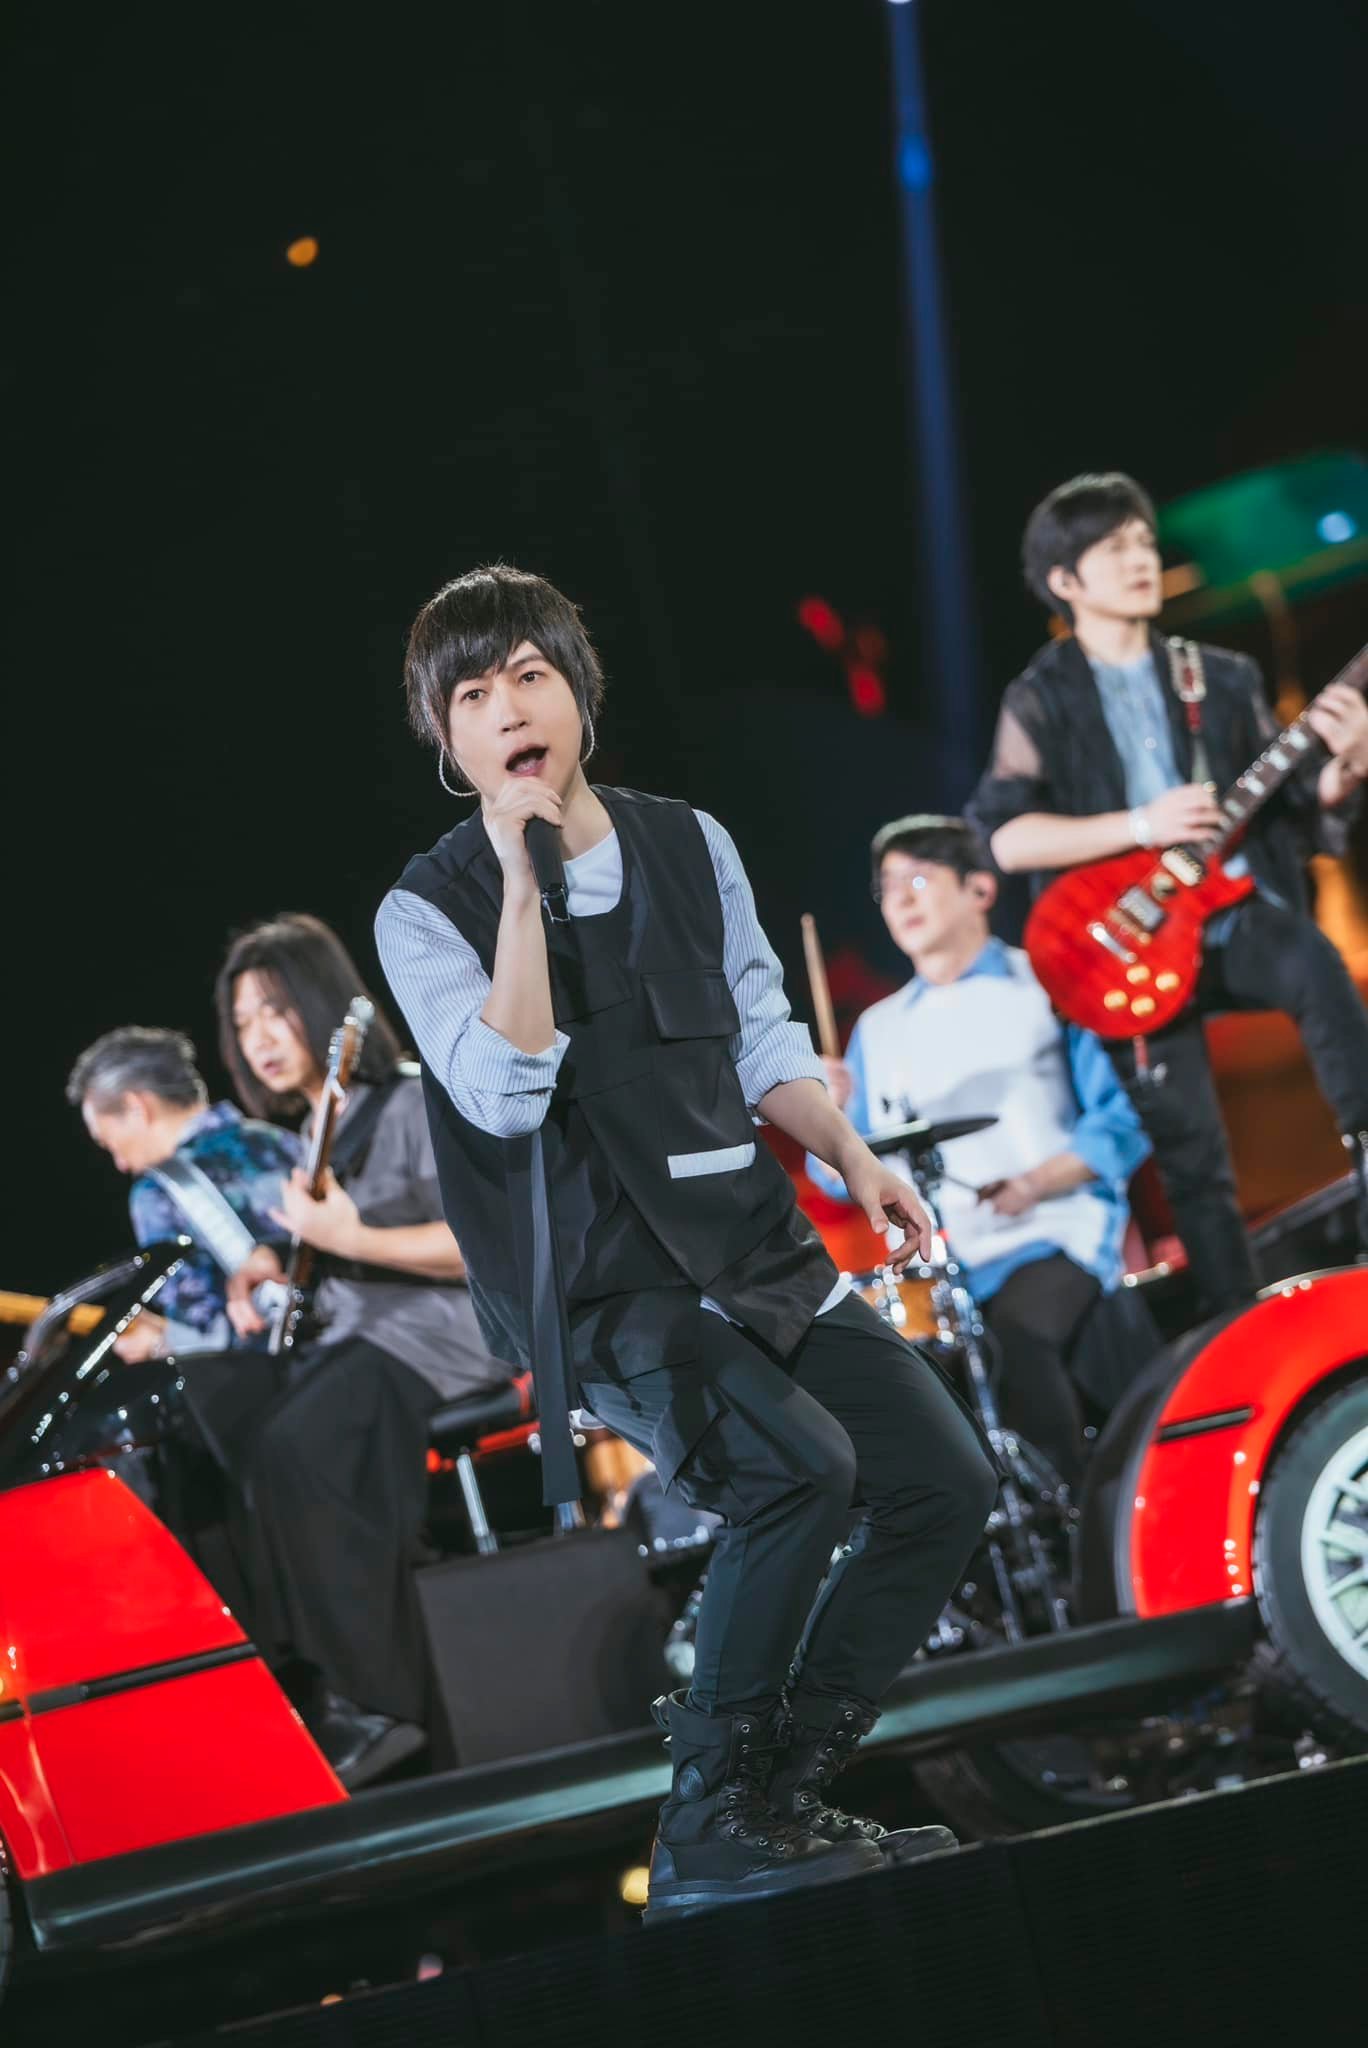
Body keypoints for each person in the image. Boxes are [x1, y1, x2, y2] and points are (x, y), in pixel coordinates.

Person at [376, 564, 998, 1920]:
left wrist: (851, 1156)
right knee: (795, 1472)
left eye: (530, 675)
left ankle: (781, 1792)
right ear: (448, 740)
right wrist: (521, 887)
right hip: (603, 1285)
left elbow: (762, 1033)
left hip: (749, 1242)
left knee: (944, 1479)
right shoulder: (423, 909)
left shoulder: (689, 842)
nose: (509, 710)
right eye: (472, 696)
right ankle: (710, 1818)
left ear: (578, 692)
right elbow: (502, 1090)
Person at [968, 471, 1368, 1317]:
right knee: (1190, 1158)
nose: (1142, 559)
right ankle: (1235, 1328)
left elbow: (1296, 811)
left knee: (1310, 959)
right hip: (1124, 947)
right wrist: (1140, 823)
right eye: (1115, 547)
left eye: (1146, 542)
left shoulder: (1219, 675)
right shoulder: (1041, 697)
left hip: (1227, 914)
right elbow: (1006, 837)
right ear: (1065, 580)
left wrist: (1345, 769)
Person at [202, 911, 518, 1786]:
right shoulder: (316, 1131)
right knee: (213, 1416)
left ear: (321, 1003)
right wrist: (271, 1264)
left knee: (297, 1445)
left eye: (275, 1011)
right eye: (243, 1023)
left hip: (440, 1340)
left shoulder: (414, 1101)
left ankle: (378, 1701)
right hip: (358, 1339)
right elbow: (324, 1252)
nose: (260, 1038)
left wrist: (351, 1239)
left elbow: (486, 1243)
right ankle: (289, 1679)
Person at [806, 814, 1152, 1489]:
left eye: (917, 879)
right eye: (886, 889)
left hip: (1058, 1229)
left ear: (980, 890)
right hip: (950, 1265)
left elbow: (1122, 1120)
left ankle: (1075, 1517)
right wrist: (828, 1115)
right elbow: (842, 1177)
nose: (900, 901)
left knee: (1014, 1340)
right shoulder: (877, 1029)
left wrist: (1036, 1183)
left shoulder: (1046, 982)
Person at [66, 1025, 300, 1360]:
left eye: (109, 1143)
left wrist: (159, 1342)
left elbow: (209, 1335)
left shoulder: (156, 1194)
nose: (120, 1163)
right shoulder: (279, 1140)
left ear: (136, 1107)